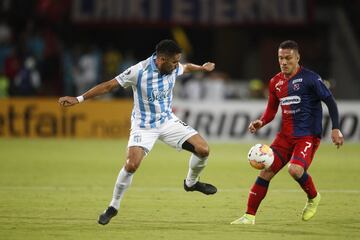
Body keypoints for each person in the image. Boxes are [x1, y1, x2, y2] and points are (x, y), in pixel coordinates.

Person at [58, 39, 217, 225]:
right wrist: (79, 99)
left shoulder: (173, 67)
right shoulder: (138, 71)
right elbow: (109, 85)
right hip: (143, 126)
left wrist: (201, 68)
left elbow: (186, 67)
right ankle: (113, 206)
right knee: (131, 165)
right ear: (161, 59)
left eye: (177, 62)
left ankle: (191, 183)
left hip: (167, 122)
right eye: (174, 62)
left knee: (203, 150)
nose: (176, 66)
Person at [231, 40, 344, 225]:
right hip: (284, 137)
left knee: (295, 169)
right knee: (266, 171)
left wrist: (336, 128)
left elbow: (330, 102)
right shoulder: (275, 82)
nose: (284, 62)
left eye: (288, 58)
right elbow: (271, 110)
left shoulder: (311, 78)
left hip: (307, 136)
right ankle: (249, 217)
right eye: (280, 58)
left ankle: (313, 197)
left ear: (297, 57)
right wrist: (261, 121)